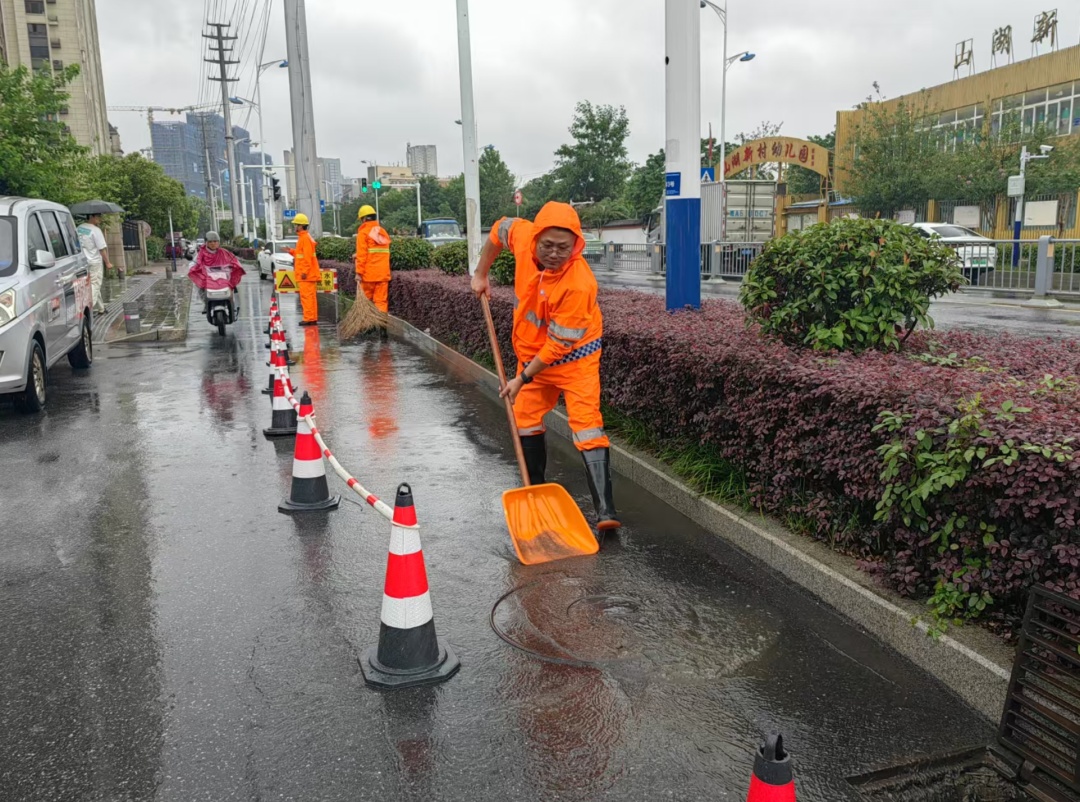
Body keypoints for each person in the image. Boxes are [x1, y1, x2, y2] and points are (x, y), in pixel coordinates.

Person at [470, 201, 619, 533]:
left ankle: (605, 511)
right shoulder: (523, 236)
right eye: (547, 245)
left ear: (576, 246)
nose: (554, 253)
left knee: (587, 425)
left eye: (563, 248)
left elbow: (559, 344)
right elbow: (498, 229)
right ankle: (534, 490)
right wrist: (481, 274)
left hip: (575, 360)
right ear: (535, 238)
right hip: (532, 355)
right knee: (524, 420)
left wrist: (521, 378)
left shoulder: (579, 284)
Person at [187, 231, 245, 312]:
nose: (213, 244)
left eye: (215, 241)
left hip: (223, 277)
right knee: (199, 286)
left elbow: (234, 260)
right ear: (206, 242)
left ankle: (233, 303)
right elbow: (194, 263)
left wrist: (235, 266)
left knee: (233, 285)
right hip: (208, 278)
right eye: (210, 242)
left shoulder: (224, 252)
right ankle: (206, 303)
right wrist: (194, 268)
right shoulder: (201, 254)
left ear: (218, 242)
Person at [76, 212, 111, 316]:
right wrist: (108, 262)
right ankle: (87, 311)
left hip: (82, 262)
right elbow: (101, 249)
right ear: (91, 217)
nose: (100, 218)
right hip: (94, 262)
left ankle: (101, 308)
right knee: (95, 285)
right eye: (98, 216)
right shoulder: (96, 230)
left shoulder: (79, 228)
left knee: (90, 285)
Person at [288, 213, 319, 326]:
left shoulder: (304, 238)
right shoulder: (304, 237)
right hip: (308, 273)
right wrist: (291, 251)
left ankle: (309, 318)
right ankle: (312, 318)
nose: (294, 227)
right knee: (310, 297)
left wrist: (304, 272)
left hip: (306, 274)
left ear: (300, 226)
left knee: (307, 297)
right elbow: (302, 255)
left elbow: (307, 257)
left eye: (296, 224)